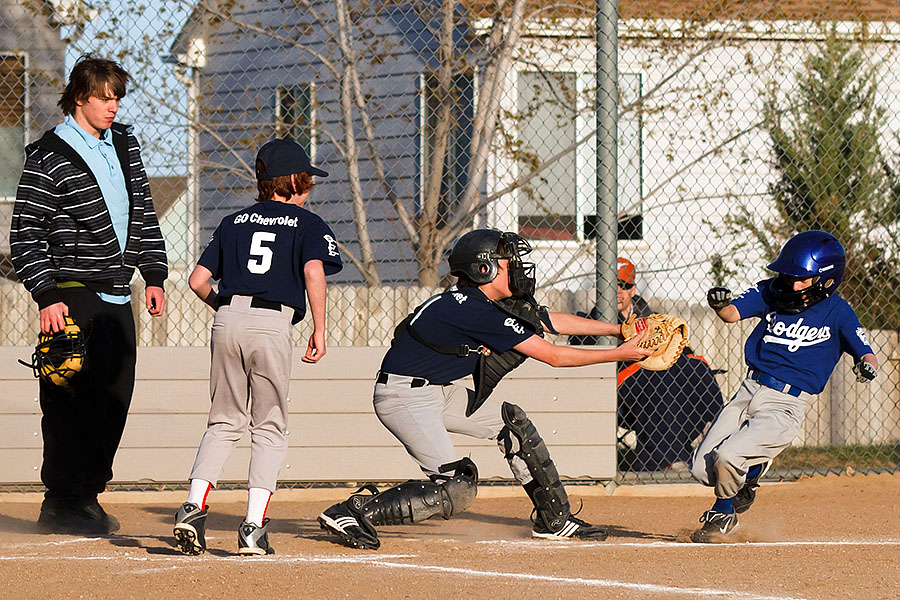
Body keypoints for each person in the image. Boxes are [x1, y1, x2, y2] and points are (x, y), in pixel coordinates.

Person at [316, 229, 652, 550]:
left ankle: (554, 520)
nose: (518, 268)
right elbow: (554, 355)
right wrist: (620, 354)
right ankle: (353, 512)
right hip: (405, 398)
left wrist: (619, 330)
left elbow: (548, 320)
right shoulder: (471, 310)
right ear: (483, 268)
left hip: (435, 391)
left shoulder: (481, 302)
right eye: (508, 262)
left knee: (511, 423)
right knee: (455, 489)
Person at [9, 55, 167, 535]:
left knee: (113, 399)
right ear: (79, 97)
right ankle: (61, 500)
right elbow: (25, 233)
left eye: (117, 96)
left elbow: (142, 210)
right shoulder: (49, 153)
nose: (113, 105)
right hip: (71, 295)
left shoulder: (124, 144)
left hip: (119, 295)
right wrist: (46, 294)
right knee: (69, 401)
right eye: (103, 96)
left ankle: (87, 495)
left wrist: (155, 273)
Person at [172, 138, 342, 556]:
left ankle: (193, 506)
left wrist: (225, 308)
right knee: (268, 425)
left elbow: (197, 280)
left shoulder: (233, 221)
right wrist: (320, 328)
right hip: (272, 323)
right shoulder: (308, 223)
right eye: (307, 182)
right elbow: (314, 272)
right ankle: (252, 527)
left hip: (227, 320)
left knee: (223, 421)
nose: (309, 190)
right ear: (296, 182)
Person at [689, 230, 877, 543]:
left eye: (803, 279)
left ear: (826, 280)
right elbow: (732, 314)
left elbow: (864, 348)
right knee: (700, 468)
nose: (793, 284)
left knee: (729, 456)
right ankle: (753, 470)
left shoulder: (837, 311)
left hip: (785, 404)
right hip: (748, 391)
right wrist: (719, 304)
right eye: (790, 275)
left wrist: (866, 363)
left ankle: (723, 513)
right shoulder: (772, 292)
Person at [617, 351, 723, 471]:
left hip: (669, 365)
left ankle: (673, 456)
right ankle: (666, 458)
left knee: (695, 367)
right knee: (662, 372)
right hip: (627, 384)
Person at [569, 257, 652, 346]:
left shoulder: (650, 320)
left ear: (633, 290)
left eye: (624, 285)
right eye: (611, 285)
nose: (617, 291)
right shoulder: (592, 323)